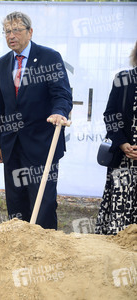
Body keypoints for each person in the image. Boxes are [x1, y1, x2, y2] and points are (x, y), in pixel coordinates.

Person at [0, 12, 72, 230]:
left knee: (42, 203)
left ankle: (46, 254)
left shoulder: (49, 57)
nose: (11, 35)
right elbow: (0, 107)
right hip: (11, 146)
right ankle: (19, 252)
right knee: (16, 204)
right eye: (7, 31)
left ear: (30, 32)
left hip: (42, 144)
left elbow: (62, 94)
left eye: (17, 29)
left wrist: (59, 112)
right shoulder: (2, 64)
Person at [95, 41, 137, 235]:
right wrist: (122, 144)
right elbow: (110, 115)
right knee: (120, 215)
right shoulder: (124, 78)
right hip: (124, 160)